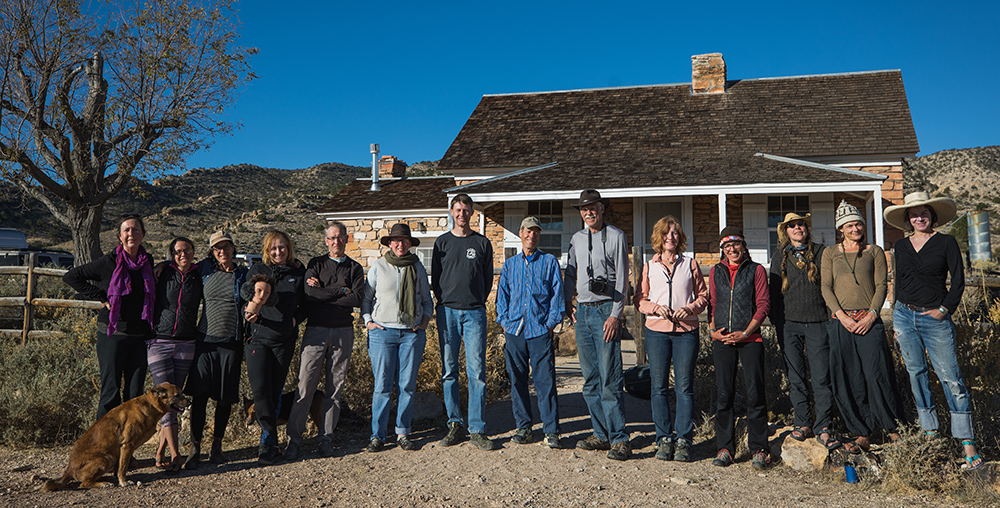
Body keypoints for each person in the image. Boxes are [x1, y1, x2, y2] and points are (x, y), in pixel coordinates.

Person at [884, 192, 984, 470]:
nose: (919, 217)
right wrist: (896, 319)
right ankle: (930, 436)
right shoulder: (901, 247)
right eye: (914, 214)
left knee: (951, 378)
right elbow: (898, 283)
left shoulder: (946, 242)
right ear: (908, 219)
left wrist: (945, 309)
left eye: (924, 212)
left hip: (935, 319)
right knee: (916, 374)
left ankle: (967, 443)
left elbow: (959, 281)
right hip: (905, 316)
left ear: (932, 216)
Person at [821, 200, 906, 454]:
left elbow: (881, 285)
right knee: (849, 377)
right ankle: (861, 431)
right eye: (850, 225)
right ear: (841, 229)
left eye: (858, 223)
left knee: (876, 374)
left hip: (869, 322)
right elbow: (826, 286)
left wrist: (871, 315)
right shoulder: (830, 253)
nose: (856, 228)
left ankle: (892, 428)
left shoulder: (874, 251)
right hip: (841, 323)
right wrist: (841, 316)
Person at [283, 222, 365, 460]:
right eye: (331, 238)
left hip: (343, 332)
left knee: (335, 388)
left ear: (346, 239)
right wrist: (340, 291)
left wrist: (326, 294)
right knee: (305, 386)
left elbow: (357, 298)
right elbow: (310, 295)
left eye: (340, 237)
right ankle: (294, 440)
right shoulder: (315, 264)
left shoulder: (355, 268)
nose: (336, 241)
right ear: (326, 241)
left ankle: (325, 438)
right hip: (315, 331)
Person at [64, 214, 155, 420]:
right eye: (127, 230)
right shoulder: (108, 262)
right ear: (119, 236)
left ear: (143, 234)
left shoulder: (147, 261)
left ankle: (127, 448)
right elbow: (71, 276)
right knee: (111, 390)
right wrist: (100, 297)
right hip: (112, 334)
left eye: (136, 229)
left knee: (135, 395)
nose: (131, 233)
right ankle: (102, 448)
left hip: (139, 336)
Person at [564, 189, 631, 461]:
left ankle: (620, 439)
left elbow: (624, 279)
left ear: (602, 209)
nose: (588, 212)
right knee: (590, 379)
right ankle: (600, 434)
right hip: (583, 311)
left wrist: (615, 315)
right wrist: (569, 303)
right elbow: (570, 273)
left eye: (593, 207)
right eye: (584, 209)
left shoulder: (616, 236)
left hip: (606, 310)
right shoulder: (576, 239)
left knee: (610, 377)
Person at [634, 216, 708, 462]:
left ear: (680, 237)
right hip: (657, 332)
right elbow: (640, 300)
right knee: (659, 387)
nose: (670, 237)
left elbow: (703, 296)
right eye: (666, 233)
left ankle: (684, 440)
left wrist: (690, 309)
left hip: (686, 332)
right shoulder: (649, 266)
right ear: (659, 237)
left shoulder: (690, 264)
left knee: (685, 388)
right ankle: (664, 438)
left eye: (675, 233)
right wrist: (655, 308)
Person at [767, 213, 839, 451]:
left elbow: (832, 286)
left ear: (807, 228)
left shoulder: (821, 253)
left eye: (800, 224)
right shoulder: (779, 257)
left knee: (821, 376)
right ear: (785, 232)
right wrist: (779, 324)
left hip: (818, 322)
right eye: (792, 226)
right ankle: (803, 422)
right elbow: (774, 295)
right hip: (789, 325)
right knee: (795, 377)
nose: (797, 228)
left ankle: (824, 425)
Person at [432, 194, 496, 451]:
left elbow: (488, 278)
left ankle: (477, 428)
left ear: (472, 213)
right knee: (449, 372)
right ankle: (454, 424)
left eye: (466, 210)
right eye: (457, 209)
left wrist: (475, 301)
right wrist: (445, 301)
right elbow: (436, 278)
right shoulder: (441, 242)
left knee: (476, 372)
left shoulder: (482, 243)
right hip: (447, 312)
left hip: (474, 314)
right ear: (451, 212)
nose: (461, 214)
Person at [362, 223, 433, 452]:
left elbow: (426, 299)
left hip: (411, 334)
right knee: (382, 386)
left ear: (410, 244)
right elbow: (366, 297)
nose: (400, 244)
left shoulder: (418, 267)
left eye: (404, 240)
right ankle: (378, 435)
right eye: (395, 240)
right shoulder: (379, 267)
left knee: (406, 386)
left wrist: (424, 322)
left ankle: (403, 432)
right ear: (390, 244)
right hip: (382, 333)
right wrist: (367, 321)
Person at [496, 217, 565, 449]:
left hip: (539, 331)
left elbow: (557, 295)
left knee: (545, 381)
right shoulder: (510, 265)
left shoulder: (549, 262)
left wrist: (550, 323)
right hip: (515, 329)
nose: (531, 235)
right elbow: (502, 296)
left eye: (536, 232)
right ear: (520, 233)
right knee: (517, 381)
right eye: (528, 231)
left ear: (538, 236)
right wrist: (504, 321)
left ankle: (551, 430)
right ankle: (524, 427)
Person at [183, 231, 248, 468]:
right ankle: (194, 448)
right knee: (199, 397)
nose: (222, 252)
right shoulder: (204, 271)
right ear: (212, 252)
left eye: (226, 247)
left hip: (231, 343)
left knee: (224, 398)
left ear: (233, 248)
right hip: (205, 341)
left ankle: (217, 448)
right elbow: (181, 267)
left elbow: (263, 284)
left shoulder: (243, 275)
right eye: (217, 248)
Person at [708, 227, 771, 469]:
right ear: (722, 249)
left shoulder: (756, 270)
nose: (732, 250)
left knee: (756, 394)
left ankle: (759, 449)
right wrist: (714, 330)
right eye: (727, 246)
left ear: (743, 246)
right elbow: (713, 303)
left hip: (750, 340)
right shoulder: (716, 271)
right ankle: (725, 448)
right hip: (722, 340)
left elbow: (763, 305)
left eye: (736, 245)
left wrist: (746, 332)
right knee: (724, 395)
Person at [243, 230, 306, 465]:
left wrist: (294, 320)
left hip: (284, 340)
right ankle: (268, 439)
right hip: (258, 338)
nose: (278, 252)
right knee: (260, 391)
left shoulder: (299, 273)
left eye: (282, 247)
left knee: (275, 390)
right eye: (273, 248)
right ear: (267, 251)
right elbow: (244, 295)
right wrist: (248, 311)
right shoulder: (257, 271)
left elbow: (307, 305)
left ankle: (269, 442)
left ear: (288, 248)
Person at [148, 237, 202, 472]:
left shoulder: (199, 274)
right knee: (166, 399)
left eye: (187, 250)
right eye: (178, 251)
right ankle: (175, 454)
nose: (183, 255)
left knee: (174, 401)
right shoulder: (162, 273)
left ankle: (160, 451)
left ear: (193, 252)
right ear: (171, 254)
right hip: (159, 341)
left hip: (186, 343)